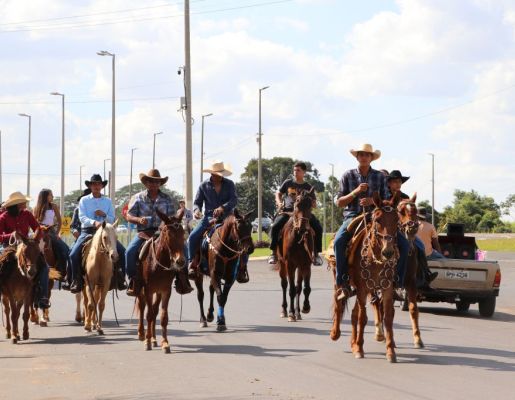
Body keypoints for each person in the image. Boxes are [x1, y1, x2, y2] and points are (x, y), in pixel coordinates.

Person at [333, 144, 409, 298]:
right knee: (339, 241)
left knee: (405, 244)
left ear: (371, 158)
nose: (364, 157)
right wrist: (355, 192)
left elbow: (388, 199)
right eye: (361, 154)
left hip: (377, 215)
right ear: (357, 157)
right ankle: (343, 282)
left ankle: (398, 282)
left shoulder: (380, 176)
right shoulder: (347, 175)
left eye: (367, 155)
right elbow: (339, 202)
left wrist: (373, 202)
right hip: (353, 215)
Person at [125, 169, 192, 296]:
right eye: (151, 181)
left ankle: (182, 279)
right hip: (144, 232)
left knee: (184, 248)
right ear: (146, 183)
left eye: (156, 182)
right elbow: (128, 215)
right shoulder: (137, 198)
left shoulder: (167, 199)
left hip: (164, 232)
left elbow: (172, 218)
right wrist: (138, 219)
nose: (154, 184)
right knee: (129, 252)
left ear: (160, 183)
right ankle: (134, 280)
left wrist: (166, 224)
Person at [187, 161, 249, 282]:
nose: (219, 176)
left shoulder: (230, 184)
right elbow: (197, 203)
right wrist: (196, 211)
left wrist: (223, 207)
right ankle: (192, 264)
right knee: (192, 237)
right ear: (211, 173)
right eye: (216, 174)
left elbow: (234, 200)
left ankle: (242, 267)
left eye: (220, 174)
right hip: (208, 217)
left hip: (228, 218)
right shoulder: (203, 185)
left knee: (244, 238)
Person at [68, 174, 126, 294]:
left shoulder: (108, 201)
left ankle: (120, 278)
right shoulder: (84, 200)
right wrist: (94, 222)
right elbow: (82, 217)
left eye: (99, 184)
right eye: (94, 184)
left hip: (106, 231)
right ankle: (75, 280)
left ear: (102, 186)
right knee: (73, 254)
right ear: (90, 186)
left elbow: (112, 218)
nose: (96, 186)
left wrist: (104, 215)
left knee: (122, 251)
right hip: (88, 231)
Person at [0, 191, 50, 309]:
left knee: (45, 267)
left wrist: (36, 239)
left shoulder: (27, 214)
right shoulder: (3, 217)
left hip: (26, 245)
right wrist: (10, 235)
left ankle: (42, 296)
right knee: (1, 264)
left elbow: (37, 228)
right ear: (17, 204)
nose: (26, 204)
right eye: (23, 202)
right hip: (8, 246)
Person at [267, 162, 324, 266]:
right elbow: (278, 193)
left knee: (318, 228)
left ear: (304, 173)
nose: (295, 172)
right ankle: (273, 253)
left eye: (298, 170)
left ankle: (316, 254)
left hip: (304, 214)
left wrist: (313, 202)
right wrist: (279, 202)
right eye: (294, 170)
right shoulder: (288, 183)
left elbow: (314, 205)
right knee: (275, 226)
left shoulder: (308, 187)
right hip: (288, 212)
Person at [33, 189, 71, 280]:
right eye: (51, 195)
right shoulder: (35, 208)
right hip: (39, 231)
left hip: (51, 231)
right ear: (45, 196)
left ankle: (61, 271)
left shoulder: (53, 206)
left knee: (65, 249)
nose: (53, 196)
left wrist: (57, 233)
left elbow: (59, 221)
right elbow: (33, 222)